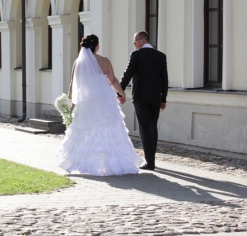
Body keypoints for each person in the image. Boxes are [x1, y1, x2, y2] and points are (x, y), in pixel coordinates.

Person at [57, 34, 143, 176]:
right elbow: (113, 80)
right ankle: (110, 164)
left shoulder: (78, 62)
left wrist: (70, 100)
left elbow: (73, 83)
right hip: (105, 100)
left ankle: (82, 162)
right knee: (108, 129)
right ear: (96, 46)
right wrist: (121, 93)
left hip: (86, 102)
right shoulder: (104, 61)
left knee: (86, 131)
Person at [119, 31, 168, 171]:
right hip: (156, 97)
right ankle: (151, 159)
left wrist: (120, 92)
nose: (134, 44)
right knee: (153, 126)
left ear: (143, 40)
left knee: (144, 128)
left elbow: (127, 74)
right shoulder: (160, 56)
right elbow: (164, 79)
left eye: (135, 41)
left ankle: (150, 162)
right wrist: (163, 98)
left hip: (140, 97)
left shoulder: (137, 55)